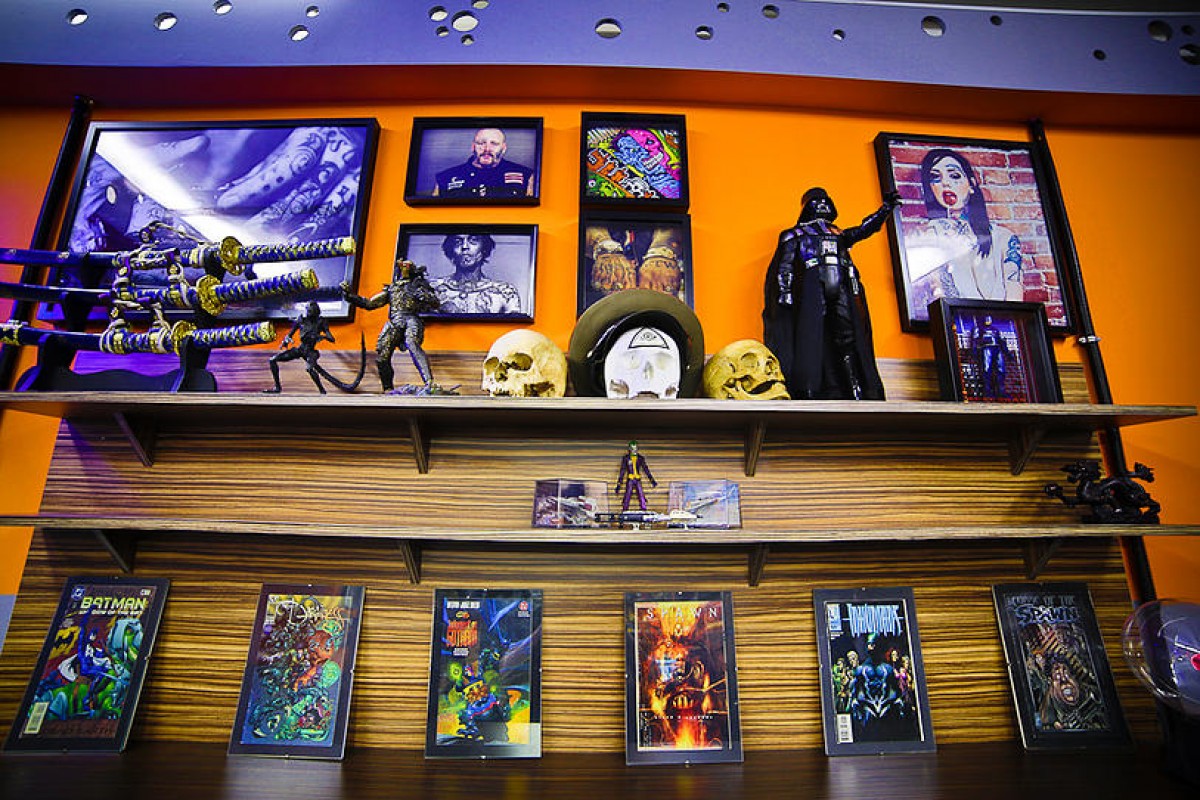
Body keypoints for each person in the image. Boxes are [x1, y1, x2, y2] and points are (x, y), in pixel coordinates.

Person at [762, 187, 897, 400]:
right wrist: (785, 291)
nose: (822, 205)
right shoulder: (794, 234)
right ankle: (807, 388)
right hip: (812, 288)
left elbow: (862, 230)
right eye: (817, 202)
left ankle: (853, 386)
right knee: (810, 336)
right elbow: (784, 266)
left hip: (841, 286)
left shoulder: (838, 234)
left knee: (847, 337)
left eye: (826, 201)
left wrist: (884, 211)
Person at [906, 148, 1025, 319]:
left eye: (954, 176)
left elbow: (1015, 300)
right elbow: (938, 294)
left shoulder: (1004, 238)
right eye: (935, 178)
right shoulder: (928, 237)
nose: (945, 183)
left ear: (971, 184)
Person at [341, 259, 443, 393]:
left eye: (407, 266)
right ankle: (387, 389)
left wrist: (424, 295)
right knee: (382, 355)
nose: (404, 267)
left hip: (411, 319)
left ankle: (429, 382)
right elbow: (370, 304)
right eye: (402, 266)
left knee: (412, 344)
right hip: (394, 321)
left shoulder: (418, 286)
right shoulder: (392, 289)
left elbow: (436, 302)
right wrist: (349, 296)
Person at [427, 233, 522, 315]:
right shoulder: (433, 288)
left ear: (484, 248)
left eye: (473, 240)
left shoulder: (505, 292)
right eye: (458, 242)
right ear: (450, 250)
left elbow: (513, 329)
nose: (465, 246)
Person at [432, 128, 535, 199]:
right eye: (481, 143)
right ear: (473, 147)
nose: (487, 149)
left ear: (503, 148)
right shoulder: (445, 177)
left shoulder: (525, 175)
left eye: (494, 144)